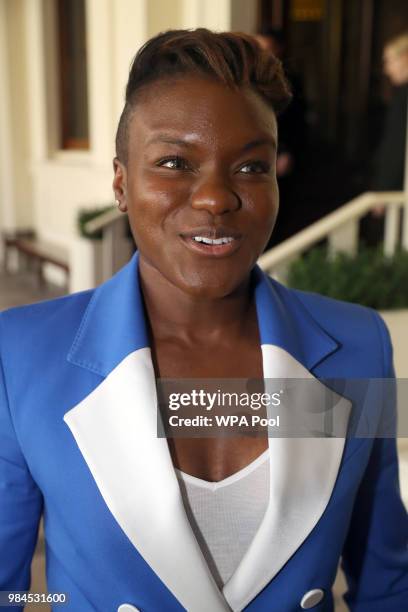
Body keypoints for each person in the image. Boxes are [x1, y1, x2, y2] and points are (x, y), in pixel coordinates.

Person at [0, 28, 407, 612]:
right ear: (120, 183)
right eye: (173, 162)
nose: (216, 197)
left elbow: (388, 581)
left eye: (249, 167)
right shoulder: (22, 355)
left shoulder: (357, 345)